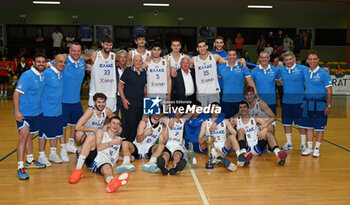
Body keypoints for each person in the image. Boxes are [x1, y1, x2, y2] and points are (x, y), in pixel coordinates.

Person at [69, 116, 130, 193]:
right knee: (91, 137)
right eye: (113, 123)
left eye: (118, 124)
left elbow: (114, 155)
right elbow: (97, 147)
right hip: (94, 155)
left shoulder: (119, 140)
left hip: (104, 162)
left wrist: (126, 158)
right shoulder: (101, 133)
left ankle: (112, 182)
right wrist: (111, 143)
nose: (115, 126)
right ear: (109, 125)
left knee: (107, 168)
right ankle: (77, 170)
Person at [48, 42, 88, 156]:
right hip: (63, 101)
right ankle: (62, 148)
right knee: (63, 126)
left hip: (76, 101)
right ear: (70, 51)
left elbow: (89, 67)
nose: (76, 53)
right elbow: (48, 64)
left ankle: (70, 143)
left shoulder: (82, 62)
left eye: (78, 51)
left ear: (81, 52)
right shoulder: (64, 61)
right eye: (74, 51)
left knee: (76, 124)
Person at [13, 54, 47, 180]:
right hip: (24, 113)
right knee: (23, 136)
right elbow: (16, 94)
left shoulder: (42, 75)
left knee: (30, 136)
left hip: (36, 113)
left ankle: (30, 161)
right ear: (33, 62)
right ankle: (20, 167)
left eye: (43, 62)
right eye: (39, 61)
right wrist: (17, 112)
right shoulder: (27, 75)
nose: (41, 64)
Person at [198, 102, 253, 169]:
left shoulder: (225, 121)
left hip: (224, 146)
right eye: (213, 109)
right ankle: (222, 160)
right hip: (214, 147)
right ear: (210, 110)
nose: (215, 110)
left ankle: (240, 156)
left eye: (217, 109)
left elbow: (235, 134)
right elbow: (199, 140)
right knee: (210, 142)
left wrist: (243, 138)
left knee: (232, 136)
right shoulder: (205, 123)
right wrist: (206, 138)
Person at [230, 101, 287, 165]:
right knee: (241, 131)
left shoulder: (255, 118)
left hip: (257, 145)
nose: (242, 109)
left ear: (248, 109)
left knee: (267, 132)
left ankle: (278, 154)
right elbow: (228, 131)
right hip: (246, 146)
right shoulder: (235, 120)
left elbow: (270, 126)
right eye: (240, 108)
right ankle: (243, 155)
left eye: (244, 107)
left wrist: (265, 129)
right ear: (239, 110)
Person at [300, 50, 332, 158]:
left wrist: (329, 105)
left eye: (314, 59)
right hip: (307, 104)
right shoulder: (305, 72)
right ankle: (309, 147)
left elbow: (329, 90)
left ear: (318, 60)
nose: (312, 61)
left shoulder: (324, 73)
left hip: (320, 105)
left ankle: (317, 148)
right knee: (308, 127)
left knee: (319, 128)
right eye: (310, 59)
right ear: (307, 60)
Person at [37, 54, 66, 166]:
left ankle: (53, 153)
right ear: (54, 62)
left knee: (55, 132)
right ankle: (41, 155)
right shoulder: (47, 73)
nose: (62, 64)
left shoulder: (60, 73)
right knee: (43, 134)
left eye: (64, 62)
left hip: (57, 110)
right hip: (46, 110)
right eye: (60, 62)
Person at [278, 51, 308, 152]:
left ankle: (303, 144)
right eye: (286, 60)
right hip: (286, 102)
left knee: (302, 125)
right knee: (286, 124)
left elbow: (313, 72)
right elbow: (277, 78)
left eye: (290, 59)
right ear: (283, 61)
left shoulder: (302, 69)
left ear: (294, 59)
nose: (288, 61)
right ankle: (289, 143)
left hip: (300, 103)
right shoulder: (281, 70)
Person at [218, 49, 257, 118]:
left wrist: (255, 94)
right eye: (230, 55)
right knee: (227, 122)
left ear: (236, 56)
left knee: (239, 123)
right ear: (227, 56)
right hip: (226, 100)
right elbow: (216, 78)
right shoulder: (221, 67)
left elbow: (250, 81)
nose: (232, 57)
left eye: (233, 55)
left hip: (240, 100)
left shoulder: (243, 66)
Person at [118, 55, 147, 143]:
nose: (138, 62)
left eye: (140, 61)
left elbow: (145, 87)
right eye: (136, 61)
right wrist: (124, 100)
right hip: (130, 104)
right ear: (133, 62)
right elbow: (119, 85)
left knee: (138, 125)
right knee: (130, 126)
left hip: (140, 104)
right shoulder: (128, 71)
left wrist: (145, 101)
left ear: (142, 62)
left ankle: (134, 145)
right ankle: (127, 145)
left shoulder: (143, 72)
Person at [191, 40, 227, 106]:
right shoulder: (194, 59)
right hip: (201, 92)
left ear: (207, 47)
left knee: (215, 113)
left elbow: (228, 62)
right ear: (197, 49)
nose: (202, 48)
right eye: (200, 47)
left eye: (204, 46)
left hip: (214, 91)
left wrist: (240, 60)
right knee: (201, 113)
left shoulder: (214, 57)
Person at [156, 107, 190, 175]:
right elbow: (157, 118)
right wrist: (169, 115)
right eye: (177, 110)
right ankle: (163, 167)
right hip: (168, 145)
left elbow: (189, 114)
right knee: (165, 155)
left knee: (177, 156)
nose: (179, 113)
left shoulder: (182, 120)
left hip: (178, 146)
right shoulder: (167, 120)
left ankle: (176, 168)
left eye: (181, 111)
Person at [88, 35, 117, 112]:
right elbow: (79, 57)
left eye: (110, 44)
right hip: (96, 92)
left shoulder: (114, 56)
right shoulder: (95, 55)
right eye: (106, 44)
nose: (109, 47)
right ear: (102, 44)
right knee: (93, 117)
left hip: (110, 93)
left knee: (108, 118)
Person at [115, 49, 128, 119]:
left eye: (124, 57)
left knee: (125, 118)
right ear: (117, 58)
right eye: (121, 57)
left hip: (126, 97)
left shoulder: (130, 70)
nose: (123, 59)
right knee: (114, 118)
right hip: (116, 97)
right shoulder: (113, 70)